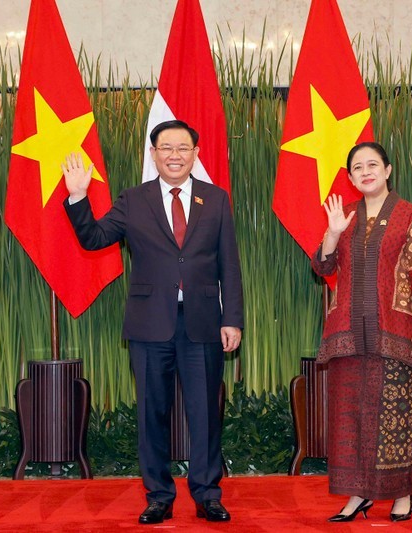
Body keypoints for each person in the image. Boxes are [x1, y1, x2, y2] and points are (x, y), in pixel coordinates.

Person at [61, 120, 243, 524]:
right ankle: (158, 495)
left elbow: (229, 263)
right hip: (149, 325)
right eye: (166, 148)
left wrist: (232, 318)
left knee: (205, 415)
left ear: (196, 153)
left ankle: (207, 494)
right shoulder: (134, 199)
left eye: (183, 147)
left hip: (202, 324)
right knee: (151, 414)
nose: (175, 154)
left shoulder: (215, 200)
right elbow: (94, 238)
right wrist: (78, 196)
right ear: (153, 154)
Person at [312, 141, 412, 523]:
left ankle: (402, 494)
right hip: (347, 334)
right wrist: (332, 234)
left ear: (388, 170)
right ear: (350, 178)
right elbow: (322, 267)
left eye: (372, 164)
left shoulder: (409, 215)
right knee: (349, 418)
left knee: (394, 417)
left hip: (396, 333)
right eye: (357, 167)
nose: (365, 171)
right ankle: (357, 496)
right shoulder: (344, 215)